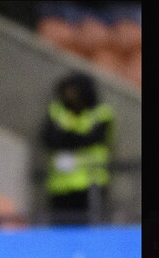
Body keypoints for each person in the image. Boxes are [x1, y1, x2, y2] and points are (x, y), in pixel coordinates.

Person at [39, 71, 115, 225]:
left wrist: (65, 135)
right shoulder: (57, 110)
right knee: (60, 229)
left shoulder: (101, 113)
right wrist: (73, 136)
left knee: (89, 227)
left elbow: (91, 139)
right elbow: (48, 139)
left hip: (91, 182)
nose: (69, 96)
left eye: (73, 91)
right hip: (60, 185)